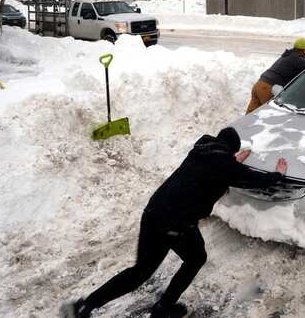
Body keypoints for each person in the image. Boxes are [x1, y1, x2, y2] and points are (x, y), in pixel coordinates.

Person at [60, 127, 287, 318]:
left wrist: (231, 163)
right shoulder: (224, 165)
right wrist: (278, 175)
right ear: (231, 151)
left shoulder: (200, 152)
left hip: (153, 211)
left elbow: (222, 168)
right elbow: (254, 180)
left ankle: (84, 306)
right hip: (176, 222)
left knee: (140, 271)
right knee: (196, 258)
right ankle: (164, 308)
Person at [245, 38, 305, 114]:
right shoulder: (298, 59)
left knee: (250, 115)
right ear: (304, 50)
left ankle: (241, 126)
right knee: (271, 114)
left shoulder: (287, 55)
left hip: (259, 85)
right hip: (268, 88)